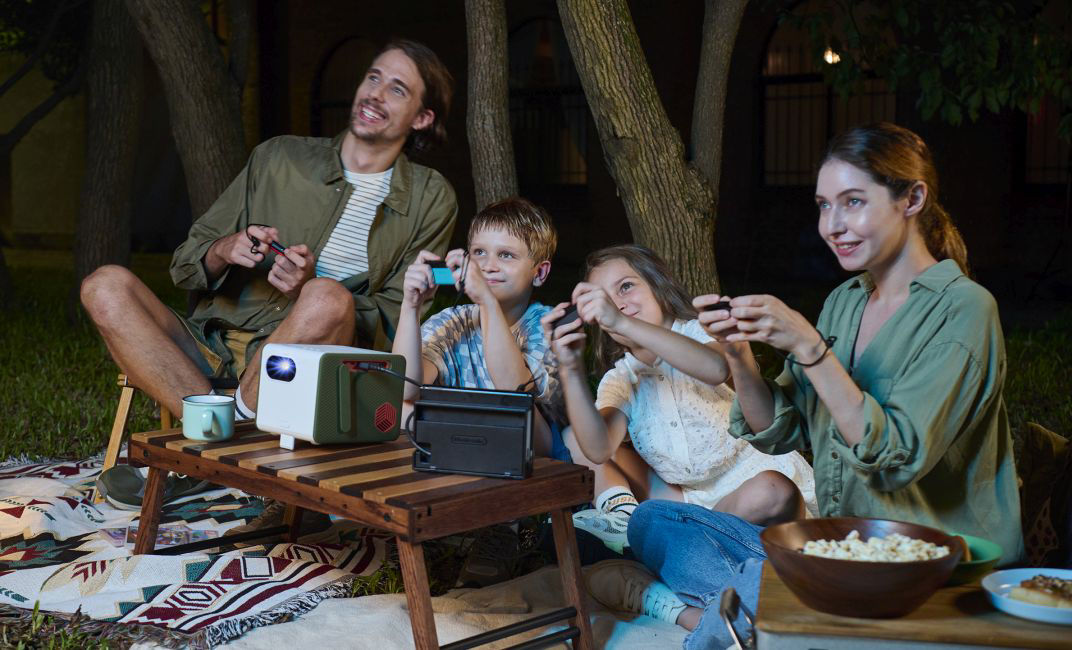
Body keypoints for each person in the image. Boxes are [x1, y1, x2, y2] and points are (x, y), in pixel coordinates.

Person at [626, 122, 1024, 648]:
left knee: (748, 580)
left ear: (913, 198)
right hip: (845, 552)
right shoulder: (846, 301)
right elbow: (780, 427)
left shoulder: (964, 309)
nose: (832, 225)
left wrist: (810, 348)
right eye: (823, 205)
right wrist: (739, 358)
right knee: (654, 521)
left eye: (853, 202)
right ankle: (762, 596)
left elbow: (896, 455)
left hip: (931, 565)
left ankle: (743, 607)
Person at [80, 39, 457, 424]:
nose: (375, 94)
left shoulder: (429, 198)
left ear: (422, 118)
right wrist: (224, 249)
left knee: (327, 297)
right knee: (104, 285)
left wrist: (305, 289)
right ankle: (213, 426)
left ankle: (219, 430)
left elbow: (396, 321)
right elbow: (185, 264)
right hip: (210, 342)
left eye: (397, 89)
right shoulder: (279, 157)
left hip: (307, 358)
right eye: (373, 77)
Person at [540, 245, 815, 624]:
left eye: (625, 287)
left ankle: (661, 580)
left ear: (656, 285)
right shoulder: (622, 378)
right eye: (604, 299)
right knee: (606, 470)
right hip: (689, 505)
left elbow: (715, 367)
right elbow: (597, 448)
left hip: (755, 496)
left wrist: (621, 322)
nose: (617, 304)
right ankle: (647, 539)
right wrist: (569, 368)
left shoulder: (698, 331)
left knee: (772, 489)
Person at [394, 197, 569, 461]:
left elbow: (514, 392)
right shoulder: (453, 319)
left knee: (520, 413)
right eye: (479, 253)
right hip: (466, 431)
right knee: (402, 407)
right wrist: (410, 307)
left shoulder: (546, 324)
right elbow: (406, 389)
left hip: (528, 444)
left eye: (506, 255)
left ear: (539, 273)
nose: (488, 266)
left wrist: (486, 300)